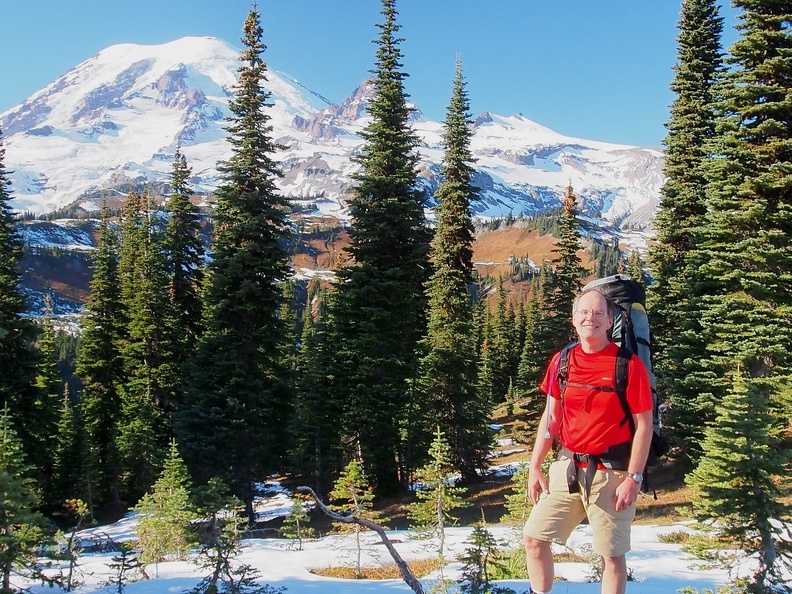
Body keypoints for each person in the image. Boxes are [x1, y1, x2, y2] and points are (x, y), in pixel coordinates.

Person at [522, 288, 654, 594]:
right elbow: (550, 418)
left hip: (612, 475)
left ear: (610, 321)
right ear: (573, 318)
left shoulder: (628, 364)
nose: (589, 318)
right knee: (534, 539)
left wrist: (634, 477)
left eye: (597, 313)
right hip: (566, 467)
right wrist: (536, 465)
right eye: (583, 312)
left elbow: (644, 425)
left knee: (611, 557)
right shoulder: (562, 360)